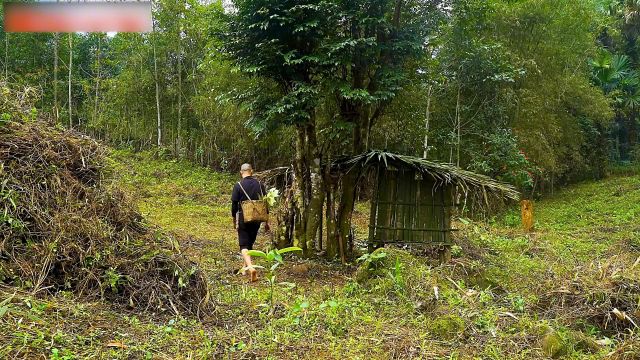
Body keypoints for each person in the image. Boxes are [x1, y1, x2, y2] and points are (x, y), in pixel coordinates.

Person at [231, 163, 269, 282]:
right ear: (251, 171)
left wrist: (234, 219)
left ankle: (251, 267)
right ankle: (244, 267)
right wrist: (267, 221)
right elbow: (265, 203)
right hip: (257, 217)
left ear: (241, 172)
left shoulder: (238, 185)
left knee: (243, 244)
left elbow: (234, 205)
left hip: (244, 217)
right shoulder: (260, 184)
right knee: (250, 243)